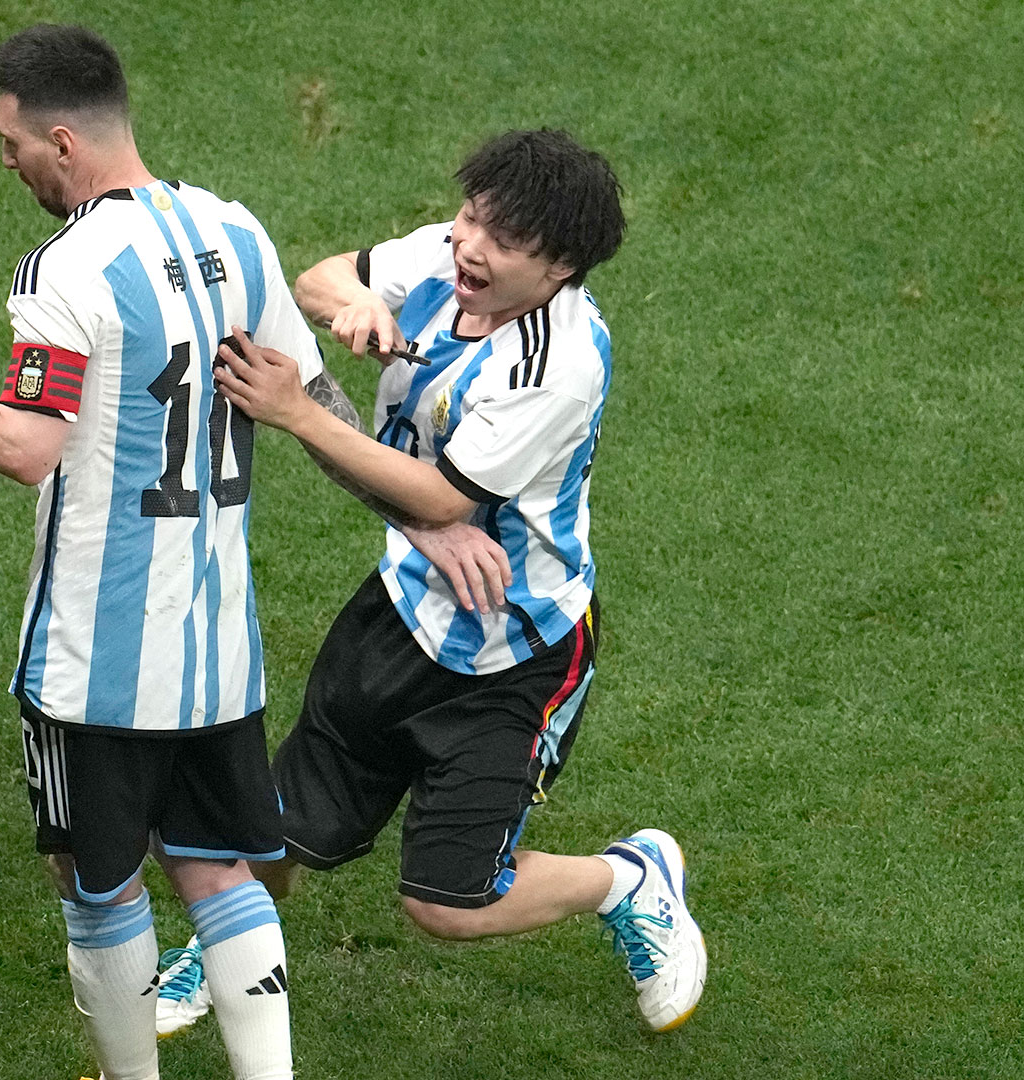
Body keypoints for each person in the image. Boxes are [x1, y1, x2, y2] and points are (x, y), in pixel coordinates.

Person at [0, 23, 347, 1080]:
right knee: (218, 868)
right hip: (218, 646)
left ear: (62, 140)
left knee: (91, 876)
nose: (4, 161)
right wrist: (419, 508)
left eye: (11, 143)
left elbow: (24, 448)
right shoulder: (238, 231)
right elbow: (313, 395)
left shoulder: (68, 269)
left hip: (96, 663)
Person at [168, 128, 705, 1035]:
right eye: (469, 218)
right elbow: (323, 276)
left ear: (563, 266)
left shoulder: (555, 366)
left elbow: (439, 496)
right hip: (403, 611)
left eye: (505, 242)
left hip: (513, 652)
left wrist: (299, 407)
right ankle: (223, 952)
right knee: (279, 829)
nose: (471, 248)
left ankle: (630, 878)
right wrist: (354, 309)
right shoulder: (446, 257)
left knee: (447, 902)